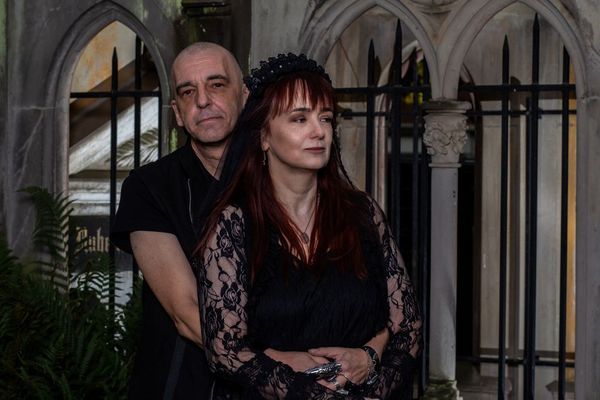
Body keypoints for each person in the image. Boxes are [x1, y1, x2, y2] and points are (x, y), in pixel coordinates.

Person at [196, 53, 422, 399]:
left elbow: (408, 328)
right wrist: (314, 395)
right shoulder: (234, 226)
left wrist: (370, 363)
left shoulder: (363, 213)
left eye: (325, 118)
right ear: (264, 136)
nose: (319, 131)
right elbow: (225, 351)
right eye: (299, 119)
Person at [110, 42, 248, 399]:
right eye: (188, 92)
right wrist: (282, 365)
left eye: (217, 84)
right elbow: (188, 315)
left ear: (244, 96)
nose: (202, 100)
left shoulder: (279, 180)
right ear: (178, 112)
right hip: (180, 385)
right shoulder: (149, 187)